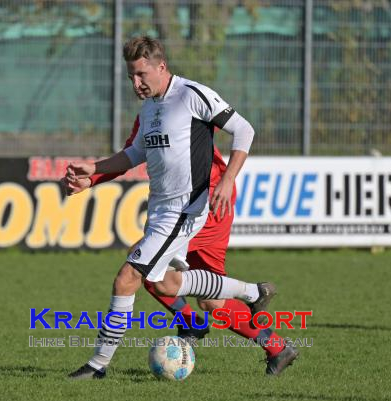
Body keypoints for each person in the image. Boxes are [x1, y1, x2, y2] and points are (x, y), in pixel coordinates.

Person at [63, 36, 281, 380]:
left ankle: (98, 364)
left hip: (188, 209)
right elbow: (133, 155)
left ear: (161, 67)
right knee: (164, 284)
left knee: (127, 278)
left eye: (141, 75)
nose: (136, 83)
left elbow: (244, 129)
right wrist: (93, 171)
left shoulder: (191, 95)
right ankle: (252, 293)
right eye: (131, 77)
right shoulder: (148, 109)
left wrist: (226, 181)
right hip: (161, 212)